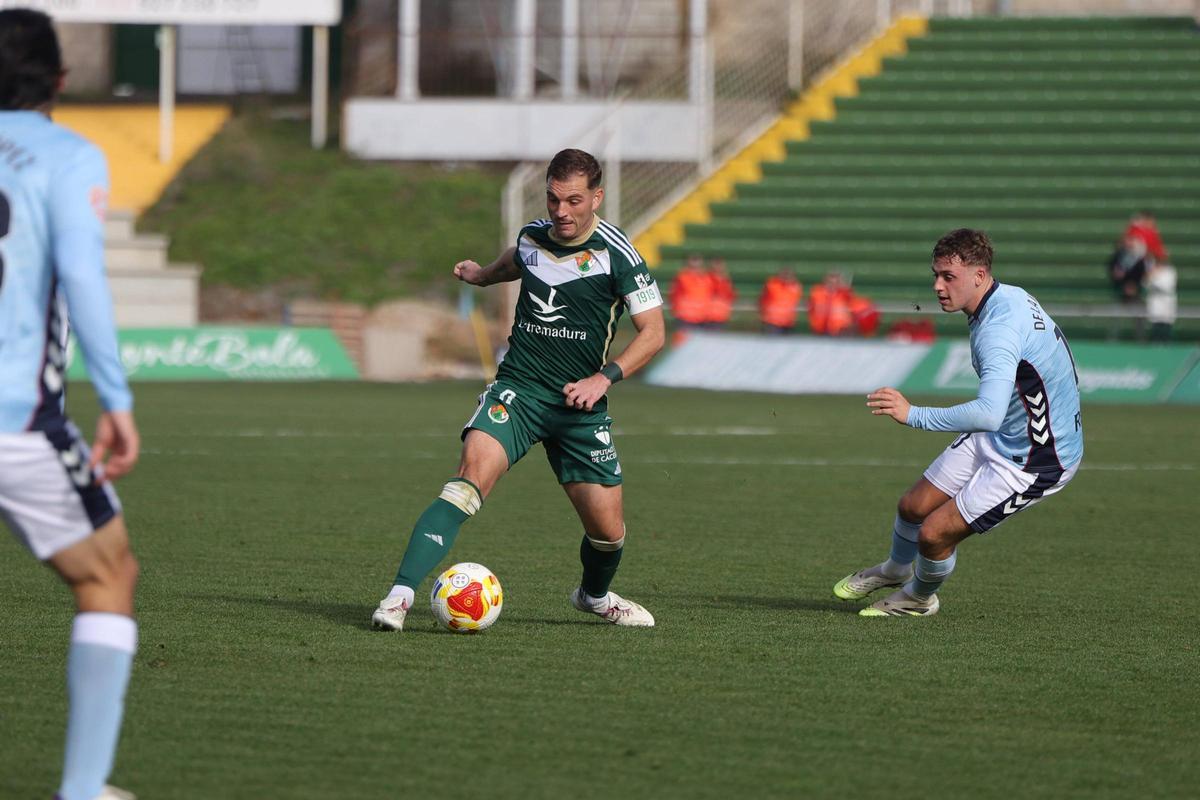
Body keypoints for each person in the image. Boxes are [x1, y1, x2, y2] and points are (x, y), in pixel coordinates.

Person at [371, 148, 666, 631]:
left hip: (579, 407)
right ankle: (398, 598)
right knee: (465, 485)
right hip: (519, 390)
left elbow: (653, 331)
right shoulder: (533, 234)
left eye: (573, 200)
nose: (562, 212)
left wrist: (603, 378)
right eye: (553, 199)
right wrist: (483, 275)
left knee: (609, 535)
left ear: (597, 196)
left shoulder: (619, 254)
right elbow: (517, 259)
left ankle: (593, 597)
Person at [0, 10, 141, 800]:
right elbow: (83, 282)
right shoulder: (66, 155)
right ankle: (82, 790)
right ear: (59, 81)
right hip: (15, 421)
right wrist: (115, 400)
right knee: (108, 575)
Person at [833, 229, 1083, 617]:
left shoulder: (997, 331)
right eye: (935, 275)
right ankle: (895, 570)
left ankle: (918, 598)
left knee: (933, 534)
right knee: (912, 506)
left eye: (948, 277)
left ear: (979, 275)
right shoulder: (1006, 297)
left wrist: (912, 414)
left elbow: (987, 413)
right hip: (1005, 433)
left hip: (1037, 459)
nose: (937, 286)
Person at [668, 253, 710, 335]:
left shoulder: (706, 278)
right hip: (685, 318)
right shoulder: (681, 277)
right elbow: (674, 296)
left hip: (703, 319)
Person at [758, 267, 803, 334]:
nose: (786, 277)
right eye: (785, 275)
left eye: (789, 275)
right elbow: (761, 300)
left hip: (788, 323)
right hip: (772, 322)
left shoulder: (796, 287)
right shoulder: (771, 285)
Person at [705, 257, 736, 330]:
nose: (718, 267)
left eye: (720, 264)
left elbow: (731, 296)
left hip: (721, 316)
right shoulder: (706, 279)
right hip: (707, 316)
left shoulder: (726, 281)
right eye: (716, 264)